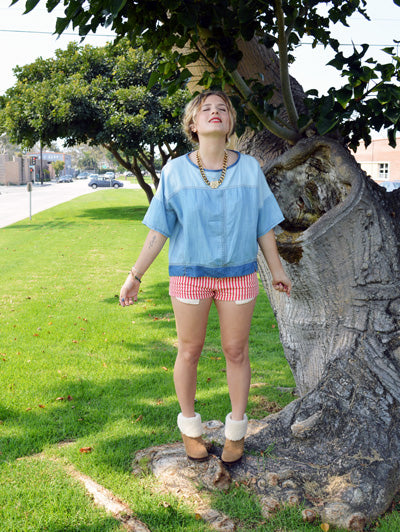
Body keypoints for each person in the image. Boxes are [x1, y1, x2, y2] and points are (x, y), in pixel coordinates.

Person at [119, 90, 292, 464]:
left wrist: (276, 270)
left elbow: (264, 226)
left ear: (229, 123)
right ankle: (190, 430)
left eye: (223, 109)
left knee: (236, 350)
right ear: (193, 125)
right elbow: (158, 230)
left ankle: (236, 431)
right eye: (205, 109)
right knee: (189, 350)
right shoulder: (174, 171)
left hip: (238, 277)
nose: (215, 113)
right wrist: (135, 275)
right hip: (189, 276)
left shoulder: (249, 169)